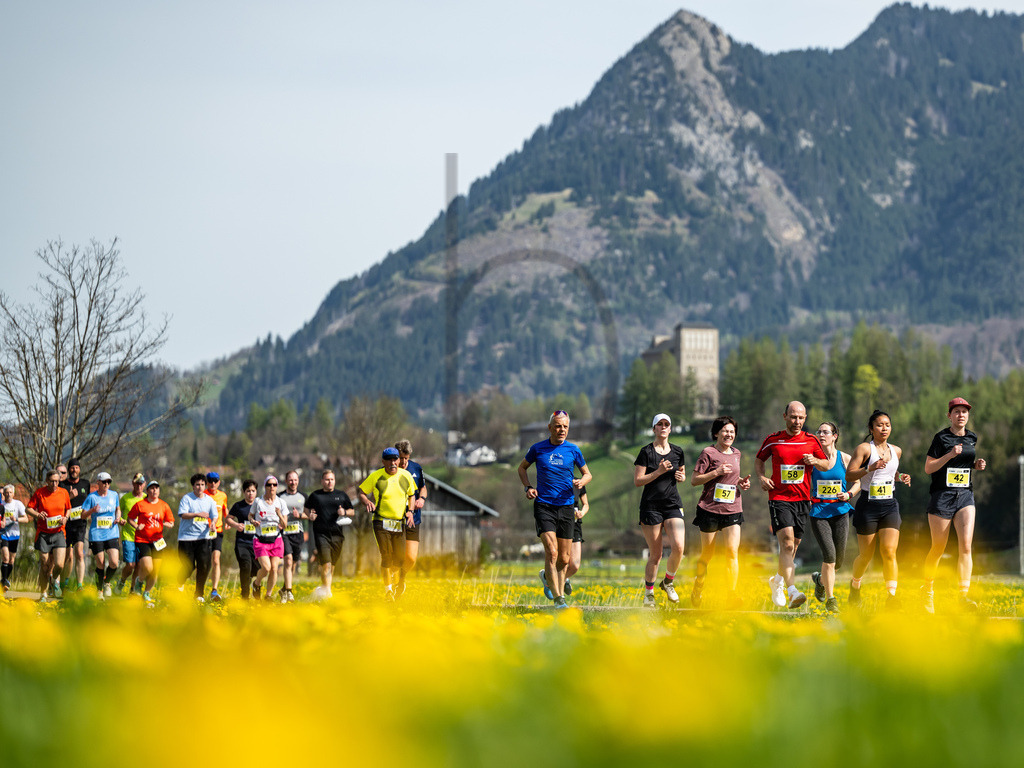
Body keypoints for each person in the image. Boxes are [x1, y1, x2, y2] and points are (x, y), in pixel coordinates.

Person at [755, 401, 829, 609]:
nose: (797, 421)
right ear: (785, 416)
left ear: (805, 418)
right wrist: (761, 477)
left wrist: (814, 461)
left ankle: (777, 581)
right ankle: (792, 591)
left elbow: (825, 464)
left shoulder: (812, 441)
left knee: (793, 547)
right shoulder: (773, 440)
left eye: (801, 418)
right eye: (793, 417)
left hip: (803, 500)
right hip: (779, 498)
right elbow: (759, 460)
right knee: (787, 544)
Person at [518, 410, 591, 609]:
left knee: (565, 559)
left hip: (566, 507)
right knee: (552, 552)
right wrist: (528, 487)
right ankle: (559, 599)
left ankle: (554, 588)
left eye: (565, 426)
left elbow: (587, 475)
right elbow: (522, 468)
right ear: (550, 428)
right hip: (544, 506)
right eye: (558, 426)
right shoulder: (537, 448)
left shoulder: (573, 450)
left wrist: (581, 481)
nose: (562, 430)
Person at [921, 397, 987, 612]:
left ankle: (963, 597)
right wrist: (949, 455)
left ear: (968, 415)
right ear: (949, 415)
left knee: (966, 546)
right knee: (938, 548)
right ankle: (927, 591)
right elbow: (929, 468)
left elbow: (964, 466)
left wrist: (975, 465)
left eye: (964, 412)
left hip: (965, 496)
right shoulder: (941, 438)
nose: (961, 415)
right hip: (942, 496)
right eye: (957, 411)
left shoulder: (972, 438)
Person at [845, 410, 912, 608]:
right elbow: (849, 475)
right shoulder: (864, 449)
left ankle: (891, 597)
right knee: (866, 555)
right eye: (880, 425)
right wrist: (869, 468)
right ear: (871, 428)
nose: (884, 428)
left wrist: (901, 477)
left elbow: (891, 472)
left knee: (889, 551)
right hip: (868, 505)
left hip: (890, 504)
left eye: (887, 425)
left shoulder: (896, 450)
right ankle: (855, 586)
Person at [689, 416, 752, 609]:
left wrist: (741, 482)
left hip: (733, 508)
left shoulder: (737, 453)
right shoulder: (708, 452)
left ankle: (731, 595)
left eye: (732, 432)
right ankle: (698, 586)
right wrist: (716, 473)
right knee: (707, 555)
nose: (729, 434)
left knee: (732, 552)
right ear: (716, 433)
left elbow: (732, 476)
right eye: (725, 431)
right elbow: (694, 479)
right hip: (709, 509)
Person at [633, 413, 687, 608]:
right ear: (654, 428)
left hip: (672, 504)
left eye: (667, 424)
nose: (663, 427)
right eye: (660, 424)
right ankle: (649, 594)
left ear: (670, 429)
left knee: (679, 547)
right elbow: (638, 481)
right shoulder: (646, 452)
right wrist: (658, 471)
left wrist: (681, 477)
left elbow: (682, 474)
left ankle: (668, 582)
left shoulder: (678, 451)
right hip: (651, 506)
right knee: (656, 555)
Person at [808, 422, 860, 613]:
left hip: (840, 512)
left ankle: (820, 580)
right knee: (829, 556)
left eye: (826, 432)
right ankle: (831, 599)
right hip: (819, 512)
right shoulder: (812, 460)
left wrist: (849, 495)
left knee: (838, 561)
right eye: (819, 432)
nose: (821, 435)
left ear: (835, 436)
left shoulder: (845, 458)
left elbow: (857, 482)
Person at [359, 448, 416, 600]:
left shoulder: (406, 476)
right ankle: (388, 591)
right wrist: (367, 501)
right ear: (383, 461)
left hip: (399, 522)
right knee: (386, 556)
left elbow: (412, 495)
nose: (393, 463)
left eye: (395, 459)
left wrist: (410, 511)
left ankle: (389, 577)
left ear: (399, 460)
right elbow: (362, 492)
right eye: (389, 460)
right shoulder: (376, 476)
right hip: (380, 521)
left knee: (400, 559)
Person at [305, 469, 354, 598]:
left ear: (334, 481)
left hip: (337, 535)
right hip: (321, 534)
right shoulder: (315, 496)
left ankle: (325, 589)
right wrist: (309, 515)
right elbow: (306, 509)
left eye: (331, 479)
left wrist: (344, 512)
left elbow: (352, 511)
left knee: (331, 566)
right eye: (327, 479)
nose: (329, 482)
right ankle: (327, 594)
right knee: (326, 564)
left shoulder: (342, 495)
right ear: (322, 481)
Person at [26, 469, 71, 600]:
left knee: (60, 565)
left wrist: (65, 518)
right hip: (43, 534)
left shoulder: (64, 493)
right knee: (45, 564)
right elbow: (28, 508)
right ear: (47, 481)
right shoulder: (40, 493)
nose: (55, 484)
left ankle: (54, 579)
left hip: (59, 532)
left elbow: (68, 508)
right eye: (52, 481)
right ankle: (43, 593)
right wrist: (38, 514)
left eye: (57, 481)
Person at [128, 480, 175, 605]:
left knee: (156, 571)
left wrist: (168, 524)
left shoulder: (164, 505)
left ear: (159, 491)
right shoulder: (140, 504)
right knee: (148, 567)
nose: (154, 491)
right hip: (142, 540)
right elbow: (130, 518)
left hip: (158, 541)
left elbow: (171, 521)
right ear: (147, 491)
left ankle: (146, 593)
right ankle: (139, 581)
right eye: (152, 488)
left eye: (157, 488)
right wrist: (137, 526)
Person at [176, 473, 218, 602]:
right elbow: (183, 515)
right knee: (188, 567)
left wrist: (213, 524)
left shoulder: (209, 500)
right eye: (197, 485)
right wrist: (196, 514)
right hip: (186, 538)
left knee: (204, 566)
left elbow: (214, 516)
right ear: (193, 486)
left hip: (203, 538)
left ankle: (199, 594)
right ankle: (178, 584)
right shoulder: (187, 499)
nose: (200, 487)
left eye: (202, 485)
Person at [81, 471, 121, 598]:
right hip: (97, 534)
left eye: (109, 482)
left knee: (114, 562)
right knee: (100, 563)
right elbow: (82, 515)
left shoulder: (114, 495)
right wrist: (92, 510)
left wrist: (118, 518)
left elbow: (117, 509)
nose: (106, 484)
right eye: (104, 482)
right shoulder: (92, 497)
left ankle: (107, 582)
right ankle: (99, 591)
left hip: (112, 532)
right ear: (98, 483)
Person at [396, 440, 427, 596]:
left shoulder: (416, 468)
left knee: (411, 558)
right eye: (400, 458)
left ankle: (401, 577)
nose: (403, 462)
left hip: (413, 518)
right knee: (395, 556)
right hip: (394, 518)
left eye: (406, 458)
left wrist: (421, 498)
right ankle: (390, 588)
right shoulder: (389, 470)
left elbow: (423, 488)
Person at [250, 476, 288, 601]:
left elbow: (285, 525)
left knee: (274, 569)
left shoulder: (281, 503)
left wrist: (279, 515)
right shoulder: (258, 501)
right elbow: (250, 515)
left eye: (274, 485)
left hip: (276, 540)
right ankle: (256, 583)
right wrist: (253, 521)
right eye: (269, 485)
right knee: (266, 568)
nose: (272, 487)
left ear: (277, 487)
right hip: (261, 540)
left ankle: (268, 596)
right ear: (265, 486)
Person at [60, 457, 91, 591]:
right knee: (68, 556)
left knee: (79, 553)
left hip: (80, 523)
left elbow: (89, 501)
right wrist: (69, 497)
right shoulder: (62, 485)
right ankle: (64, 583)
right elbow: (59, 503)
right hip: (66, 524)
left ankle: (79, 585)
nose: (74, 470)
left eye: (76, 467)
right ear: (69, 469)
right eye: (72, 467)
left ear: (79, 469)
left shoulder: (85, 483)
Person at [226, 479, 259, 599]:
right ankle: (244, 595)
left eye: (253, 491)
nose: (250, 493)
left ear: (256, 492)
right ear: (244, 492)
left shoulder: (260, 505)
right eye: (248, 491)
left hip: (258, 543)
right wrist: (236, 525)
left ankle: (255, 584)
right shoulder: (238, 506)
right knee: (245, 565)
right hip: (242, 542)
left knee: (257, 570)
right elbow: (228, 518)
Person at [278, 470, 307, 604]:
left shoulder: (303, 496)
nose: (293, 482)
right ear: (286, 481)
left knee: (293, 563)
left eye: (295, 480)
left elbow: (311, 515)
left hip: (298, 533)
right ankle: (289, 592)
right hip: (284, 533)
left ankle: (284, 589)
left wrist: (300, 516)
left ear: (298, 481)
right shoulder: (279, 497)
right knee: (288, 560)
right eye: (290, 480)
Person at [115, 473, 147, 595]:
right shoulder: (125, 498)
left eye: (141, 483)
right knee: (130, 564)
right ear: (133, 484)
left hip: (142, 537)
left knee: (139, 565)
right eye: (137, 483)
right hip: (128, 535)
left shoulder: (146, 498)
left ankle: (133, 590)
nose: (139, 486)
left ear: (144, 484)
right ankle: (122, 581)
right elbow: (118, 512)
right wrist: (121, 519)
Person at [204, 471, 229, 602]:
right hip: (203, 532)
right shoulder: (203, 495)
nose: (213, 483)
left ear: (219, 482)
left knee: (216, 559)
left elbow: (225, 510)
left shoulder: (223, 496)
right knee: (204, 561)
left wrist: (228, 521)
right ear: (207, 482)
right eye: (210, 481)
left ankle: (214, 590)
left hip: (217, 531)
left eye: (215, 481)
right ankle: (199, 588)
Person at [1, 484, 29, 591]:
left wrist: (16, 519)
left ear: (14, 494)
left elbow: (26, 519)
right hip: (3, 534)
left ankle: (4, 581)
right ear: (3, 494)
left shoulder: (18, 504)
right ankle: (4, 580)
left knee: (11, 560)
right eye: (6, 492)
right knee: (5, 557)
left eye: (10, 492)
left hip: (14, 535)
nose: (8, 494)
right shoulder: (1, 505)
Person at [563, 487, 589, 598]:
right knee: (563, 561)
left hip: (575, 525)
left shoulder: (578, 483)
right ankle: (558, 595)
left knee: (574, 565)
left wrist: (582, 513)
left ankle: (550, 577)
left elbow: (586, 504)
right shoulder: (556, 478)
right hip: (560, 523)